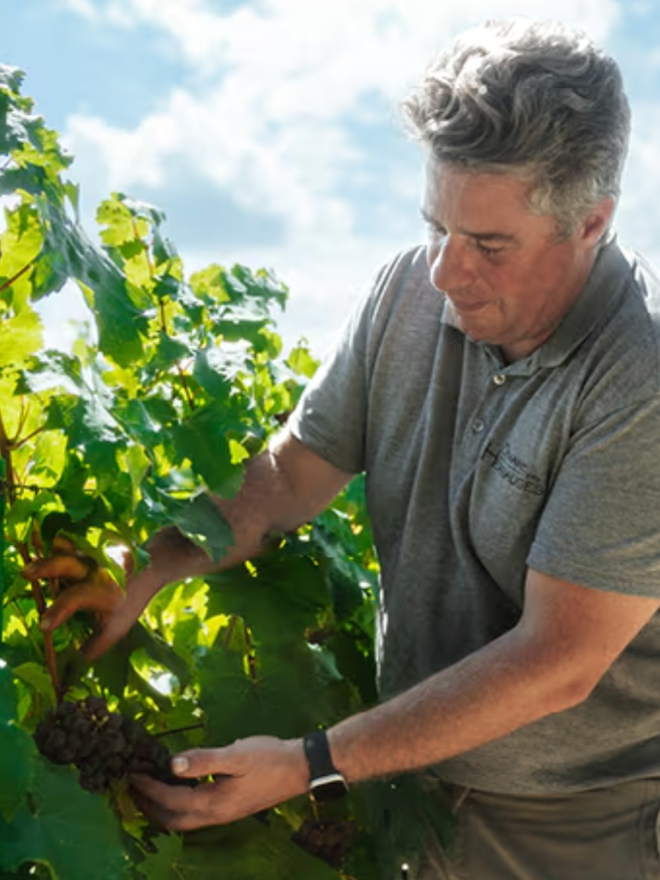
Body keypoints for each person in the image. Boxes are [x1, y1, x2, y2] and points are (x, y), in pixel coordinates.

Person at [29, 17, 660, 880]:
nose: (445, 271)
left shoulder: (638, 380)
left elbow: (558, 662)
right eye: (436, 226)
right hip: (405, 784)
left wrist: (309, 763)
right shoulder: (408, 293)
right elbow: (290, 476)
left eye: (488, 245)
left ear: (591, 223)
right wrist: (147, 565)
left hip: (567, 827)